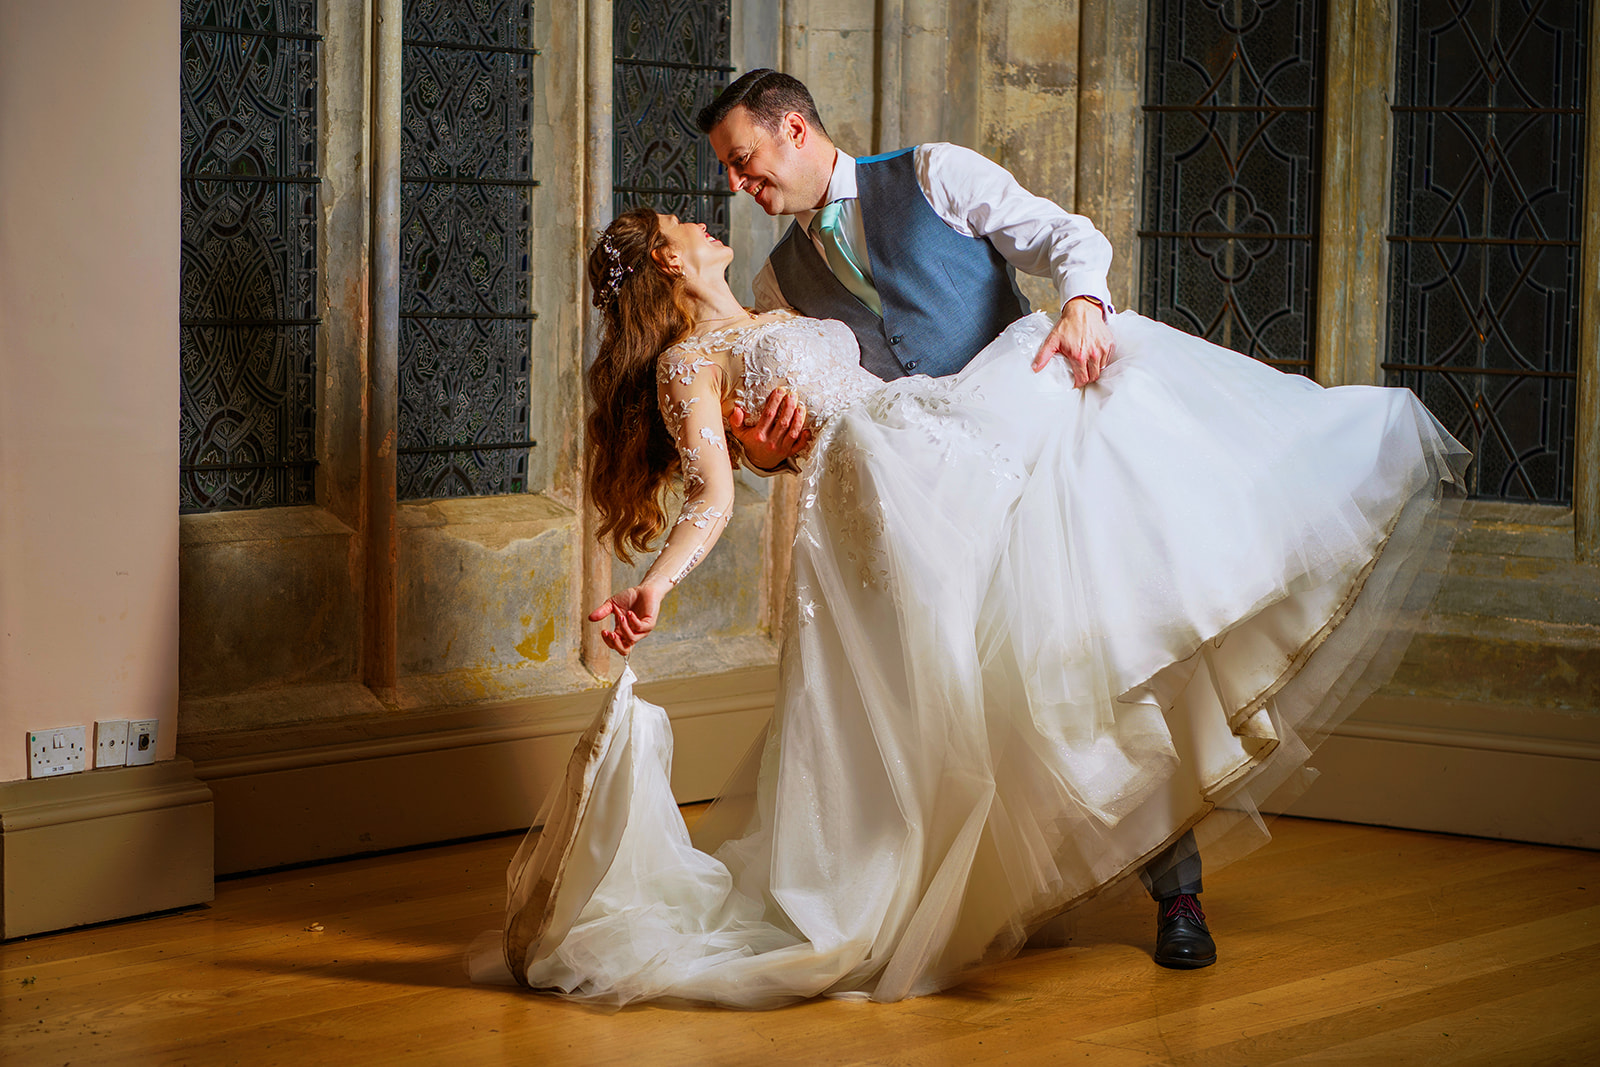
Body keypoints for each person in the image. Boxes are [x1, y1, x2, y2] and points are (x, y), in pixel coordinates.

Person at [469, 207, 1469, 1008]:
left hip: (922, 440)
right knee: (981, 646)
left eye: (735, 170)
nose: (707, 208)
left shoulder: (808, 271)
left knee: (1087, 442)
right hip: (879, 489)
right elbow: (719, 490)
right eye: (679, 221)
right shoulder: (691, 362)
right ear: (668, 264)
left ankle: (1284, 491)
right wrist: (656, 581)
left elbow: (847, 381)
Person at [703, 68, 1202, 967]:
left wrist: (1084, 301)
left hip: (1032, 459)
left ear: (793, 129)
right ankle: (997, 893)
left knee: (1089, 666)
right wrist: (772, 450)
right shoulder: (779, 280)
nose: (738, 187)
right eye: (731, 174)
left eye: (743, 162)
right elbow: (807, 426)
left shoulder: (933, 173)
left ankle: (1180, 894)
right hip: (926, 512)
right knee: (980, 699)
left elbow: (1064, 234)